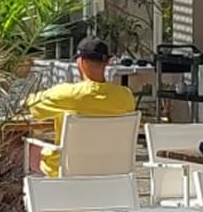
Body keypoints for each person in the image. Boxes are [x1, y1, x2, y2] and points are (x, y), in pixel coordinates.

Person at [25, 39, 136, 173]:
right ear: (107, 62)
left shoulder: (66, 94)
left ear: (81, 62)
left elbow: (29, 105)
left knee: (21, 146)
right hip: (111, 170)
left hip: (68, 170)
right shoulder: (125, 96)